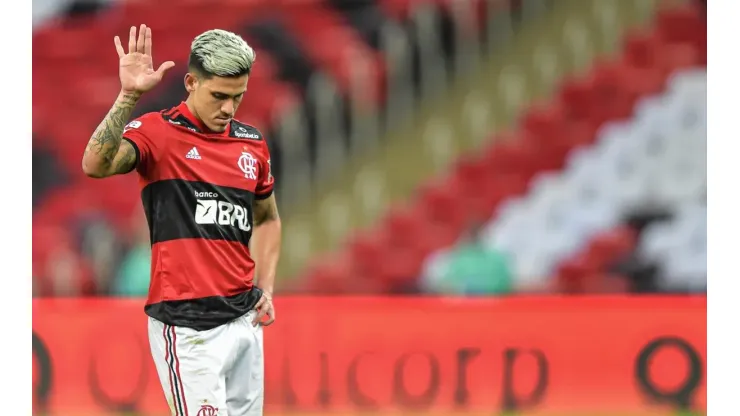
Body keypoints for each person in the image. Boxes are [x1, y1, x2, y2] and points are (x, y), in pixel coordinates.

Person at [81, 24, 282, 415]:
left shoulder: (252, 144)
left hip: (244, 320)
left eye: (237, 98)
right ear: (191, 82)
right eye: (219, 96)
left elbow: (268, 219)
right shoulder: (159, 132)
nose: (228, 109)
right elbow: (95, 164)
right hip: (187, 326)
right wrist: (128, 96)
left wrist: (268, 286)